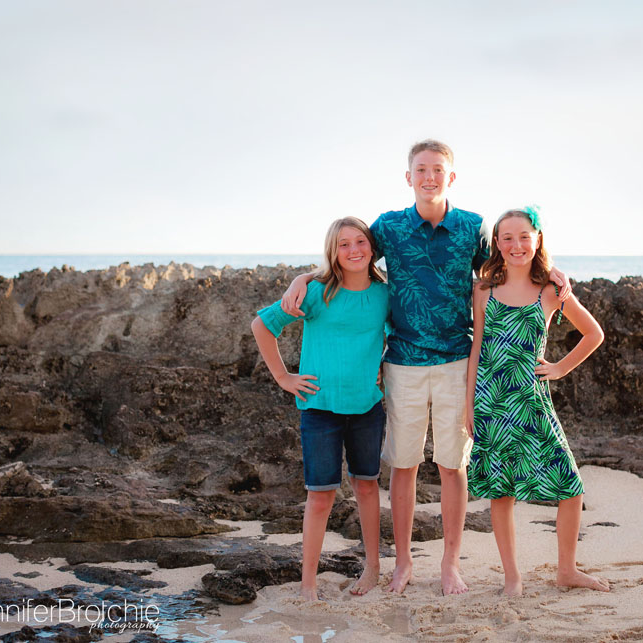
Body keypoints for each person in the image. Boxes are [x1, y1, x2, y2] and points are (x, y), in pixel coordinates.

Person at [281, 140, 572, 595]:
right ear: (409, 177)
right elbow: (348, 252)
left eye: (438, 169)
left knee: (454, 466)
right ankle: (402, 566)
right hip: (402, 363)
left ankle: (450, 564)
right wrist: (303, 278)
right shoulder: (390, 228)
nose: (429, 177)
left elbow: (505, 265)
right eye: (421, 169)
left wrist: (551, 274)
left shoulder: (471, 226)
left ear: (450, 177)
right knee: (403, 465)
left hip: (458, 360)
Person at [465, 206, 609, 596]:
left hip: (532, 402)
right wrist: (469, 406)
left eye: (524, 236)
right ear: (496, 243)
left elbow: (593, 334)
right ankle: (512, 577)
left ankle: (567, 570)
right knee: (501, 490)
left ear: (538, 239)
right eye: (507, 237)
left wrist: (560, 368)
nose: (516, 245)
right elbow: (476, 348)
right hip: (492, 402)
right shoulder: (483, 289)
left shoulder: (550, 290)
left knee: (571, 487)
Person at [251, 216, 389, 601]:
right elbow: (262, 325)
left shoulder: (385, 295)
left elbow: (397, 335)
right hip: (320, 410)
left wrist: (383, 367)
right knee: (320, 496)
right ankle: (308, 584)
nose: (353, 250)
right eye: (343, 244)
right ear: (333, 251)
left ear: (372, 247)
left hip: (367, 408)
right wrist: (284, 377)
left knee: (366, 487)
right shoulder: (315, 292)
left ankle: (373, 569)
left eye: (360, 242)